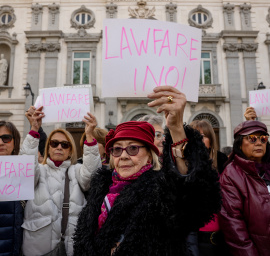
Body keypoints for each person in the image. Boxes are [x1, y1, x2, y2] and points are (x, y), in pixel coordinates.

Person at [73, 86, 221, 256]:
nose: (124, 156)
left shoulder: (160, 189)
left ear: (150, 156)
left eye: (133, 148)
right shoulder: (101, 187)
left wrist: (177, 129)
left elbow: (195, 199)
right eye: (117, 149)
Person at [20, 107, 102, 256]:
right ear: (48, 147)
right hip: (38, 249)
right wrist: (34, 130)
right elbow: (25, 174)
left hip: (72, 248)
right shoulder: (39, 171)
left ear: (70, 150)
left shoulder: (77, 171)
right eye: (54, 143)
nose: (59, 147)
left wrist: (89, 135)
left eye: (65, 145)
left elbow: (92, 177)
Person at [219, 120, 270, 256]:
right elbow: (234, 227)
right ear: (239, 144)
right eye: (252, 138)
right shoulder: (231, 175)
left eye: (263, 138)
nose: (259, 143)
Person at [186, 119, 229, 256]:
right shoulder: (183, 166)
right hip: (194, 237)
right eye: (194, 135)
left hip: (223, 236)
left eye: (203, 136)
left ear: (211, 139)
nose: (198, 139)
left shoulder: (223, 163)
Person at [0, 121, 23, 256]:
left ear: (15, 142)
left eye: (6, 138)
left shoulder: (24, 171)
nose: (1, 142)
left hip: (14, 247)